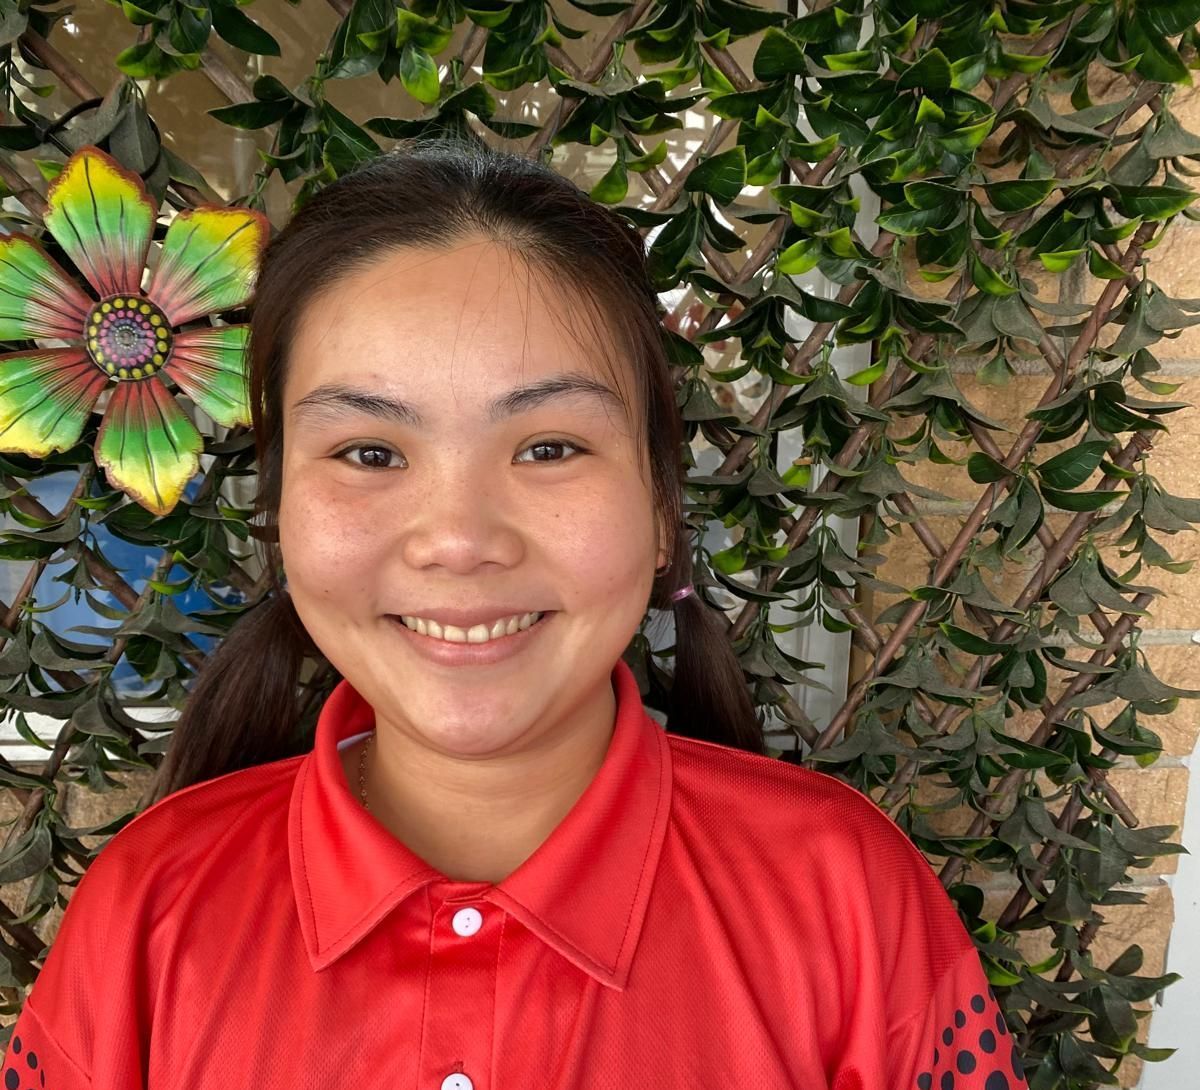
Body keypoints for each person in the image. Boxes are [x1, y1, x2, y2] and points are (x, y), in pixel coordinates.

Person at [2, 136, 1028, 1090]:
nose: (458, 538)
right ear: (281, 510)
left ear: (662, 508)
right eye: (369, 453)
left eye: (548, 448)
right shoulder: (148, 912)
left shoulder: (844, 899)